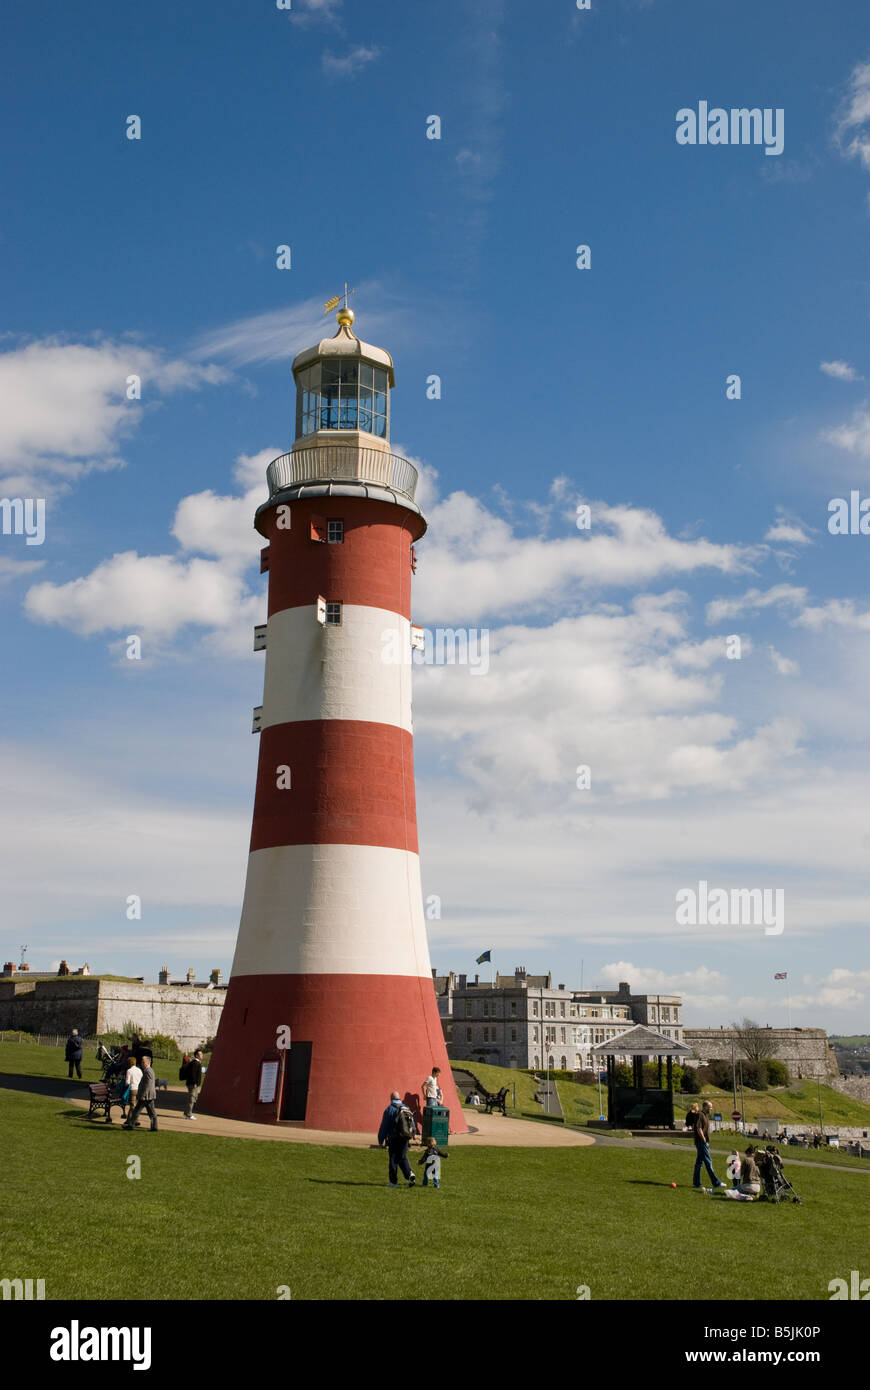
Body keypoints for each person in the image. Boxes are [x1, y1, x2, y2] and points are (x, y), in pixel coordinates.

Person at [377, 1091, 416, 1188]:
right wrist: (413, 1134)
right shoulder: (406, 1108)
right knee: (402, 1157)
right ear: (399, 1098)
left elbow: (384, 1127)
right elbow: (412, 1123)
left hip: (394, 1138)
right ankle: (409, 1174)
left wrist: (380, 1140)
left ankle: (393, 1182)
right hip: (405, 1138)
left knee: (393, 1160)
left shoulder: (389, 1109)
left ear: (391, 1099)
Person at [692, 1101, 725, 1190]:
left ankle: (696, 1183)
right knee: (708, 1161)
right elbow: (698, 1127)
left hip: (704, 1142)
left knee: (699, 1163)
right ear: (705, 1107)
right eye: (710, 1107)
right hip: (701, 1142)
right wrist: (703, 1139)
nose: (711, 1109)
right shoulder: (700, 1115)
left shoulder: (705, 1116)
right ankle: (716, 1183)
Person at [123, 1054, 158, 1132]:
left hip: (146, 1096)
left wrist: (144, 1095)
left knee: (144, 1112)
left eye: (143, 1062)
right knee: (139, 1111)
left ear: (147, 1063)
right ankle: (131, 1125)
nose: (141, 1064)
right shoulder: (148, 1070)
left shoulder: (148, 1071)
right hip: (148, 1096)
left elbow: (148, 1085)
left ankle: (131, 1125)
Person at [184, 1049, 204, 1119]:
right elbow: (193, 1074)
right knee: (192, 1099)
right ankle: (188, 1115)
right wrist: (195, 1083)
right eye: (200, 1054)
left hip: (193, 1084)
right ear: (196, 1055)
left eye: (202, 1054)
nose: (202, 1055)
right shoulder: (195, 1063)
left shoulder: (196, 1062)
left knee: (192, 1098)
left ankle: (186, 1113)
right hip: (193, 1084)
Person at [124, 1056, 143, 1125]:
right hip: (139, 1089)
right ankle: (131, 1119)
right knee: (135, 1105)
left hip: (132, 1089)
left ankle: (132, 1120)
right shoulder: (139, 1070)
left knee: (132, 1105)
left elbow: (127, 1082)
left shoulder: (129, 1071)